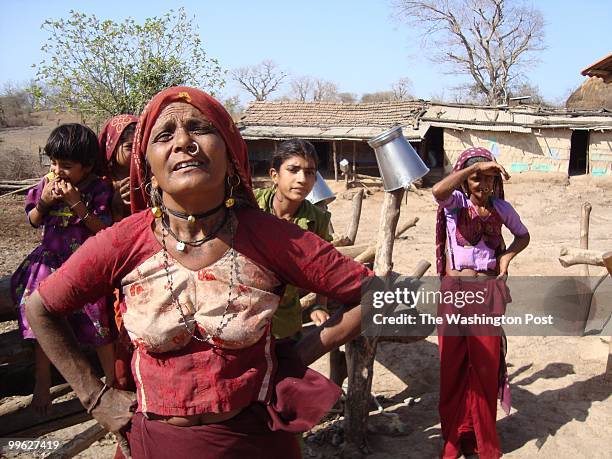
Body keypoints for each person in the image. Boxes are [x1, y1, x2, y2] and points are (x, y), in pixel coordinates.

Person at [25, 86, 373, 459]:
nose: (183, 142)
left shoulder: (271, 238)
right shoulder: (123, 242)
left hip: (257, 444)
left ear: (230, 155)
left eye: (200, 128)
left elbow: (374, 294)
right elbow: (39, 308)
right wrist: (96, 396)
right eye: (164, 135)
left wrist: (300, 354)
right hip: (158, 446)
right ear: (150, 171)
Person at [10, 123, 116, 414]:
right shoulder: (46, 185)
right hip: (50, 261)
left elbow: (102, 229)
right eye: (54, 163)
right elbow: (33, 220)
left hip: (84, 261)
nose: (57, 171)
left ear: (88, 165)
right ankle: (42, 380)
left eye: (66, 165)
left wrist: (76, 203)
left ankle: (115, 384)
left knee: (98, 317)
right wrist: (44, 202)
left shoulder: (99, 189)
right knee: (42, 315)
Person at [432, 147, 530, 459]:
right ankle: (454, 438)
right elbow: (438, 189)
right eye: (477, 178)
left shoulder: (502, 208)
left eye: (489, 178)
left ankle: (481, 439)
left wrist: (506, 257)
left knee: (485, 367)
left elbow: (523, 236)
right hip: (455, 291)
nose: (483, 185)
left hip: (486, 292)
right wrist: (473, 168)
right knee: (453, 366)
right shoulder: (455, 203)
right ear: (464, 180)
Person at [256, 139, 332, 339]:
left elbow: (323, 269)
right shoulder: (252, 205)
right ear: (275, 175)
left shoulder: (318, 220)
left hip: (285, 321)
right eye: (293, 169)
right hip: (244, 313)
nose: (302, 179)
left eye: (309, 172)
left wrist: (318, 305)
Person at [98, 114, 138, 222]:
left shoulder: (147, 177)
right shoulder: (100, 183)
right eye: (130, 147)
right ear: (113, 147)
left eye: (139, 146)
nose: (136, 152)